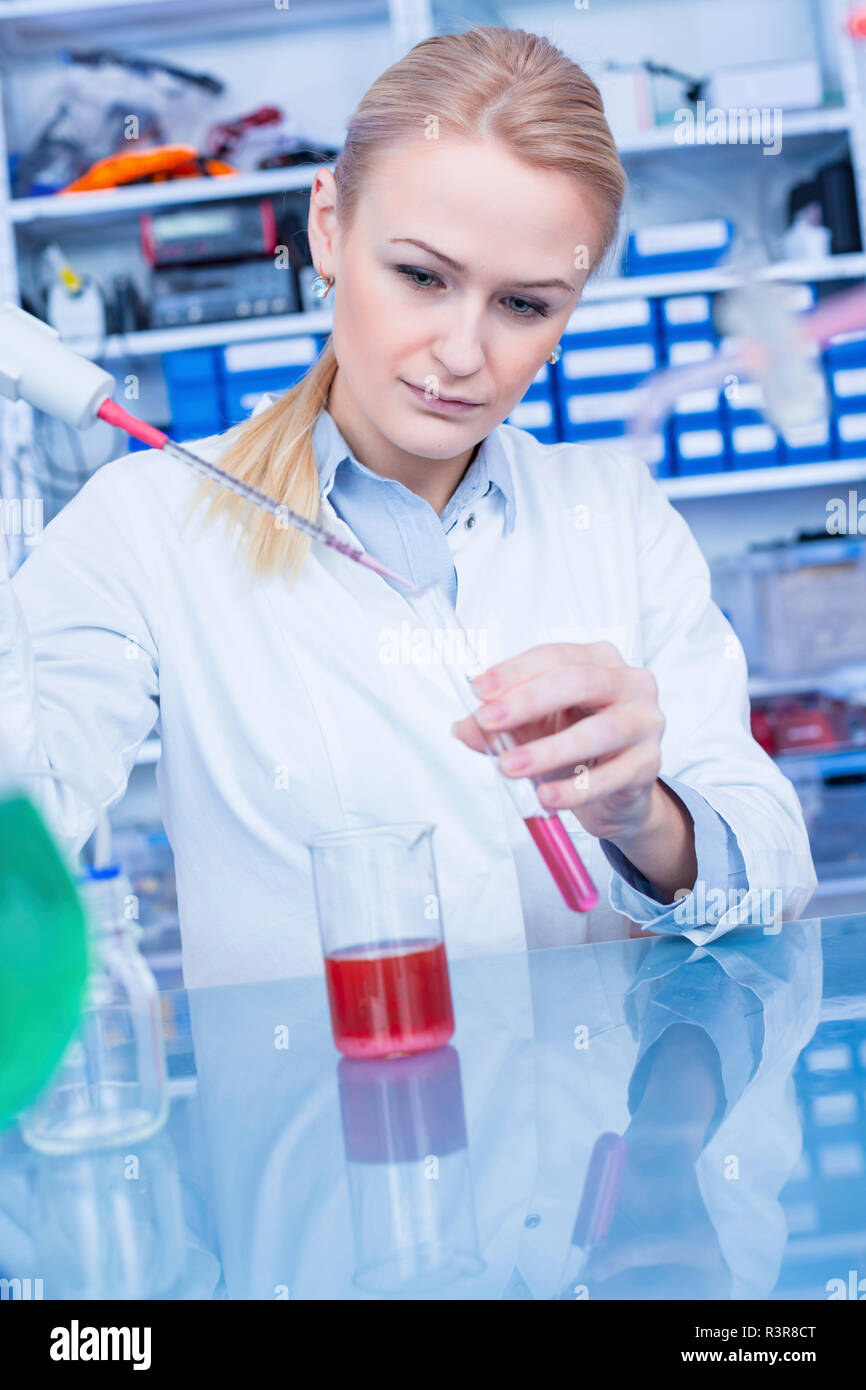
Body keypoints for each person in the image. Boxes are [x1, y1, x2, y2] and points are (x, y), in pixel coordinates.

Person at [3, 26, 817, 988]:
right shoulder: (143, 523)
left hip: (595, 1134)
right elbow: (27, 823)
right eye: (422, 276)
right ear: (329, 228)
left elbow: (772, 880)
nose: (462, 354)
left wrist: (645, 818)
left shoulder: (617, 514)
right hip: (304, 1130)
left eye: (526, 305)